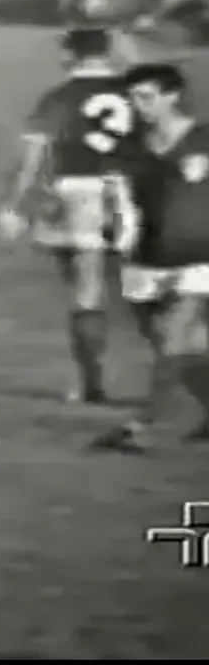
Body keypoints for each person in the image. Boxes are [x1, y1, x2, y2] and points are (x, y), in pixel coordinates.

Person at [0, 26, 141, 404]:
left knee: (85, 291)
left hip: (77, 195)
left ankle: (91, 383)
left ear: (71, 54)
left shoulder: (60, 97)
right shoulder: (135, 93)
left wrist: (15, 205)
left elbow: (32, 160)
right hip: (131, 194)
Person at [94, 63, 209, 451]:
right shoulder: (128, 148)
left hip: (200, 259)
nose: (137, 105)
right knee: (174, 349)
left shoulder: (204, 139)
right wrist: (115, 228)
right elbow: (119, 203)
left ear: (172, 96)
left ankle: (142, 428)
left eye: (146, 96)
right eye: (132, 98)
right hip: (145, 258)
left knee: (174, 344)